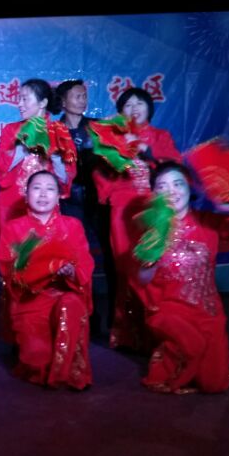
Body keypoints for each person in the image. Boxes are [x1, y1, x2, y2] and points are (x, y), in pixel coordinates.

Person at [136, 162, 229, 394]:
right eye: (162, 187)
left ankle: (189, 360)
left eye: (178, 184)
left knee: (214, 384)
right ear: (154, 194)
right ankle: (167, 359)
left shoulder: (208, 222)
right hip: (168, 309)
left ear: (189, 188)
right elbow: (143, 279)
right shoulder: (151, 229)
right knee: (192, 344)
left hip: (207, 311)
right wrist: (153, 253)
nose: (171, 191)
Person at [92, 87, 181, 352]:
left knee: (154, 264)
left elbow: (174, 165)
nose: (134, 109)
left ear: (149, 108)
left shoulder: (160, 136)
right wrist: (114, 165)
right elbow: (100, 173)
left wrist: (146, 149)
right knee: (126, 267)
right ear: (121, 111)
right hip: (123, 209)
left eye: (139, 103)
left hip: (155, 207)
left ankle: (156, 329)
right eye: (128, 105)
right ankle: (127, 333)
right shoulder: (112, 137)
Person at [0, 171, 94, 390]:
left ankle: (68, 370)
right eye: (36, 188)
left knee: (70, 305)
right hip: (30, 301)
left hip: (65, 295)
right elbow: (7, 269)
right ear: (26, 194)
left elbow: (85, 264)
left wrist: (71, 272)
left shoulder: (73, 226)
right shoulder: (13, 228)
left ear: (59, 196)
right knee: (37, 362)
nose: (43, 194)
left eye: (50, 189)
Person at [56, 79, 108, 336]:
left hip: (98, 199)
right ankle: (81, 315)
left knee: (108, 256)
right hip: (68, 202)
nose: (82, 100)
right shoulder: (53, 129)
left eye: (84, 95)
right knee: (75, 258)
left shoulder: (97, 127)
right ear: (63, 101)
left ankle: (114, 319)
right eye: (76, 96)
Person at [0, 78, 77, 234]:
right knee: (11, 247)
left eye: (25, 99)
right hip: (11, 204)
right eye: (19, 99)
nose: (20, 104)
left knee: (45, 247)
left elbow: (65, 179)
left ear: (42, 102)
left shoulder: (58, 131)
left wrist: (55, 155)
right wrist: (24, 145)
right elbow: (1, 167)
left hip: (44, 204)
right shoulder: (11, 130)